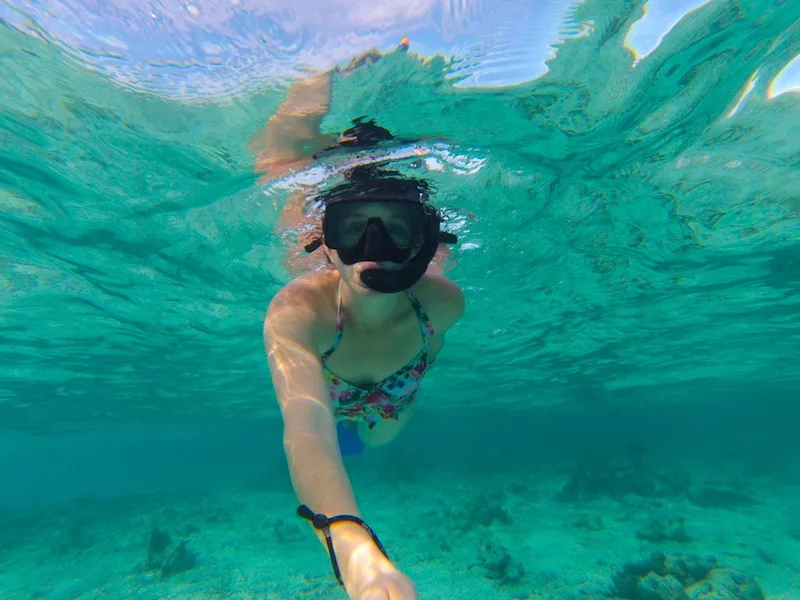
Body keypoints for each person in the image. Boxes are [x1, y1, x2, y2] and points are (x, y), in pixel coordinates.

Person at [258, 39, 465, 600]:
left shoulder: (442, 303)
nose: (373, 250)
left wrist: (411, 379)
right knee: (342, 433)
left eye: (398, 230)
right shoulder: (299, 312)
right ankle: (323, 60)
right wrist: (353, 546)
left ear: (425, 241)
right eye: (353, 229)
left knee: (383, 442)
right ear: (325, 241)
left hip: (398, 385)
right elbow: (305, 429)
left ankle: (367, 427)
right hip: (328, 389)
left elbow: (430, 355)